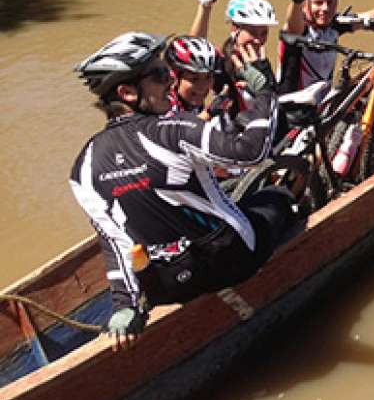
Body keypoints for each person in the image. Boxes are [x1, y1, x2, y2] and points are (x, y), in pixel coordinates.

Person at [69, 32, 295, 347]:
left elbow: (114, 242)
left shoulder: (83, 167)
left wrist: (125, 306)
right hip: (232, 260)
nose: (169, 83)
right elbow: (251, 152)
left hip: (167, 287)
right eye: (160, 75)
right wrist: (266, 92)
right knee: (279, 198)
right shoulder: (175, 129)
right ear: (127, 92)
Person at [280, 0, 369, 94]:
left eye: (330, 2)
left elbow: (371, 16)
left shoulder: (335, 24)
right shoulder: (300, 28)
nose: (325, 8)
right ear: (305, 5)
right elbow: (293, 27)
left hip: (323, 105)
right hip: (292, 107)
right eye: (318, 3)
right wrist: (296, 1)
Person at [163, 34, 221, 117]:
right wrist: (208, 114)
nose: (202, 86)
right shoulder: (163, 107)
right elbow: (181, 128)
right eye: (194, 79)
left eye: (208, 77)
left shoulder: (191, 102)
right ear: (173, 77)